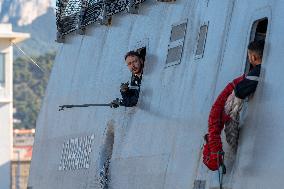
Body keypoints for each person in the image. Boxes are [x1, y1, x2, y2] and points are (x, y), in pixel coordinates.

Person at [203, 40, 264, 171]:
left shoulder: (249, 78)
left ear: (252, 57)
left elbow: (239, 92)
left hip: (221, 110)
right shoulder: (252, 76)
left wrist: (215, 153)